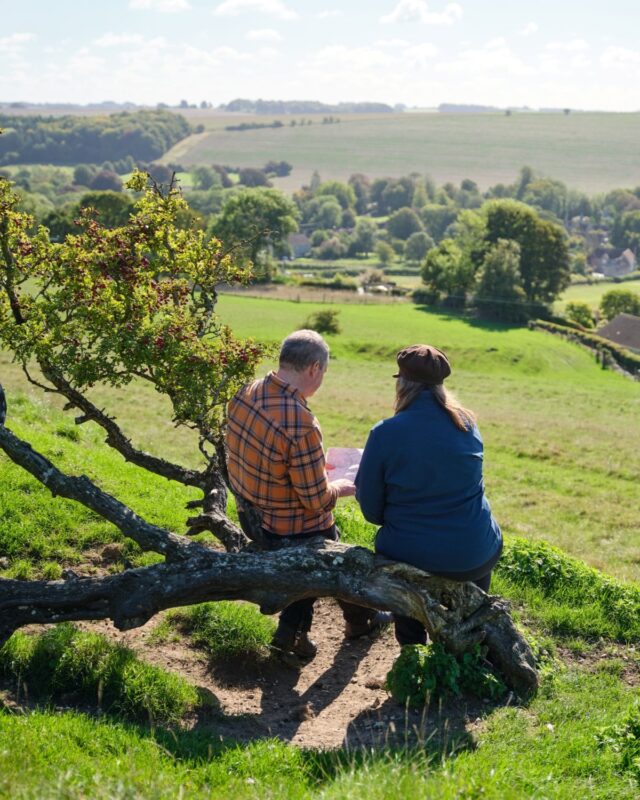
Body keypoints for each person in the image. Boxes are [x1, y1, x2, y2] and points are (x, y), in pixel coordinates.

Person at [226, 329, 385, 663]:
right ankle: (300, 630)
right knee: (331, 548)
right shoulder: (301, 423)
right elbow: (315, 500)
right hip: (287, 525)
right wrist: (340, 486)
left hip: (250, 512)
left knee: (324, 551)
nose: (322, 380)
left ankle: (342, 623)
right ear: (314, 368)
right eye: (323, 373)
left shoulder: (246, 391)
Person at [355, 344, 503, 647]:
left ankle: (411, 654)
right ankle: (467, 653)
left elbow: (370, 510)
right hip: (475, 553)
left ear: (402, 383)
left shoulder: (385, 433)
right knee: (469, 624)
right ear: (440, 384)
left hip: (412, 555)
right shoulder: (468, 424)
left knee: (401, 570)